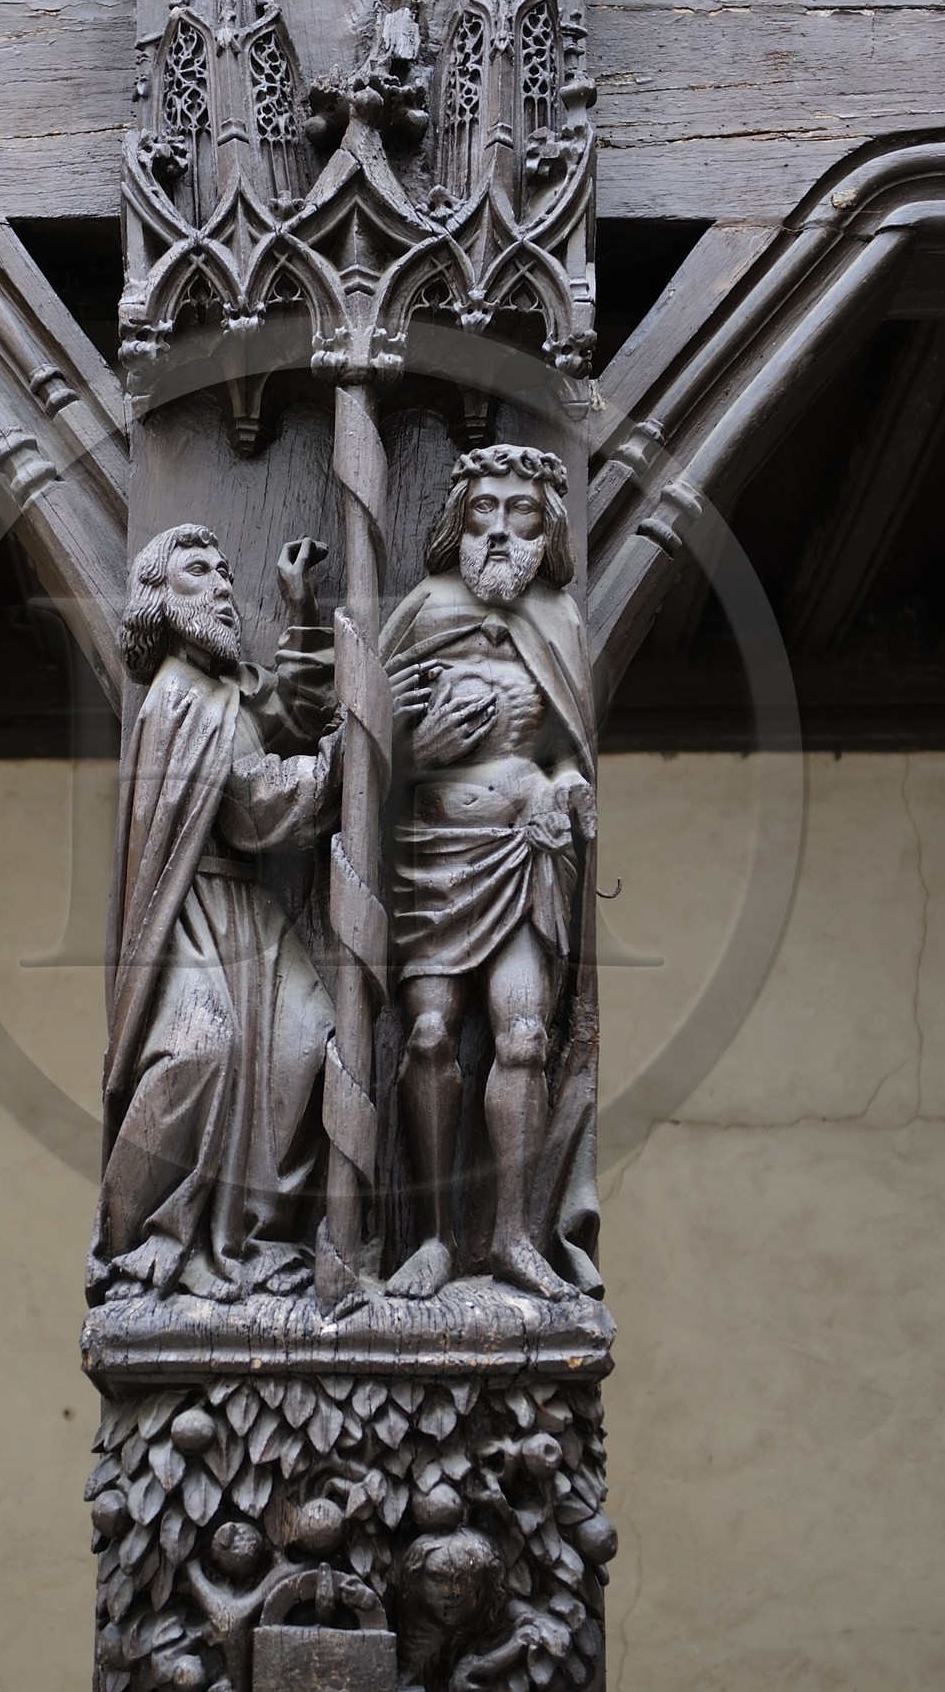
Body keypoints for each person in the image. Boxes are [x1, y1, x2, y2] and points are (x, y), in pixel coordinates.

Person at [88, 526, 340, 1304]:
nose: (223, 584)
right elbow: (251, 805)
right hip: (191, 911)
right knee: (198, 1052)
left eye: (226, 570)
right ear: (160, 600)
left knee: (310, 1043)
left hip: (246, 912)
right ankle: (137, 1240)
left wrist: (301, 614)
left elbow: (289, 707)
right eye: (199, 571)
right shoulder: (175, 697)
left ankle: (257, 1240)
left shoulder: (222, 689)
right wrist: (343, 764)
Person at [383, 445, 599, 1301]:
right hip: (434, 858)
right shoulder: (424, 609)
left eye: (521, 514)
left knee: (523, 1038)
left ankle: (511, 1233)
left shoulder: (561, 624)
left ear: (548, 532)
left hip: (522, 849)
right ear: (456, 524)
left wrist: (569, 784)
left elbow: (566, 746)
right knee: (430, 1034)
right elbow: (360, 747)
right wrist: (418, 748)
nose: (500, 532)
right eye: (482, 513)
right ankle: (436, 1235)